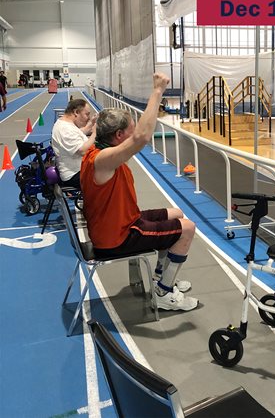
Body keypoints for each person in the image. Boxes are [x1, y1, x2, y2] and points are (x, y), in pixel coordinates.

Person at [80, 73, 198, 312]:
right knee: (187, 228)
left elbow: (136, 135)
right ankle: (164, 293)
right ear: (119, 136)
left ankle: (159, 278)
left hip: (124, 221)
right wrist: (157, 91)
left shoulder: (102, 152)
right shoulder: (102, 160)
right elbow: (142, 136)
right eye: (129, 131)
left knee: (176, 213)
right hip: (117, 237)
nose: (134, 134)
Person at [51, 99, 96, 189]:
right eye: (86, 114)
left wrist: (91, 123)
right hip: (74, 174)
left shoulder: (66, 124)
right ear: (76, 112)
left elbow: (77, 133)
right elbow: (83, 151)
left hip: (79, 169)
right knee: (110, 175)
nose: (88, 118)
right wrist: (95, 133)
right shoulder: (64, 128)